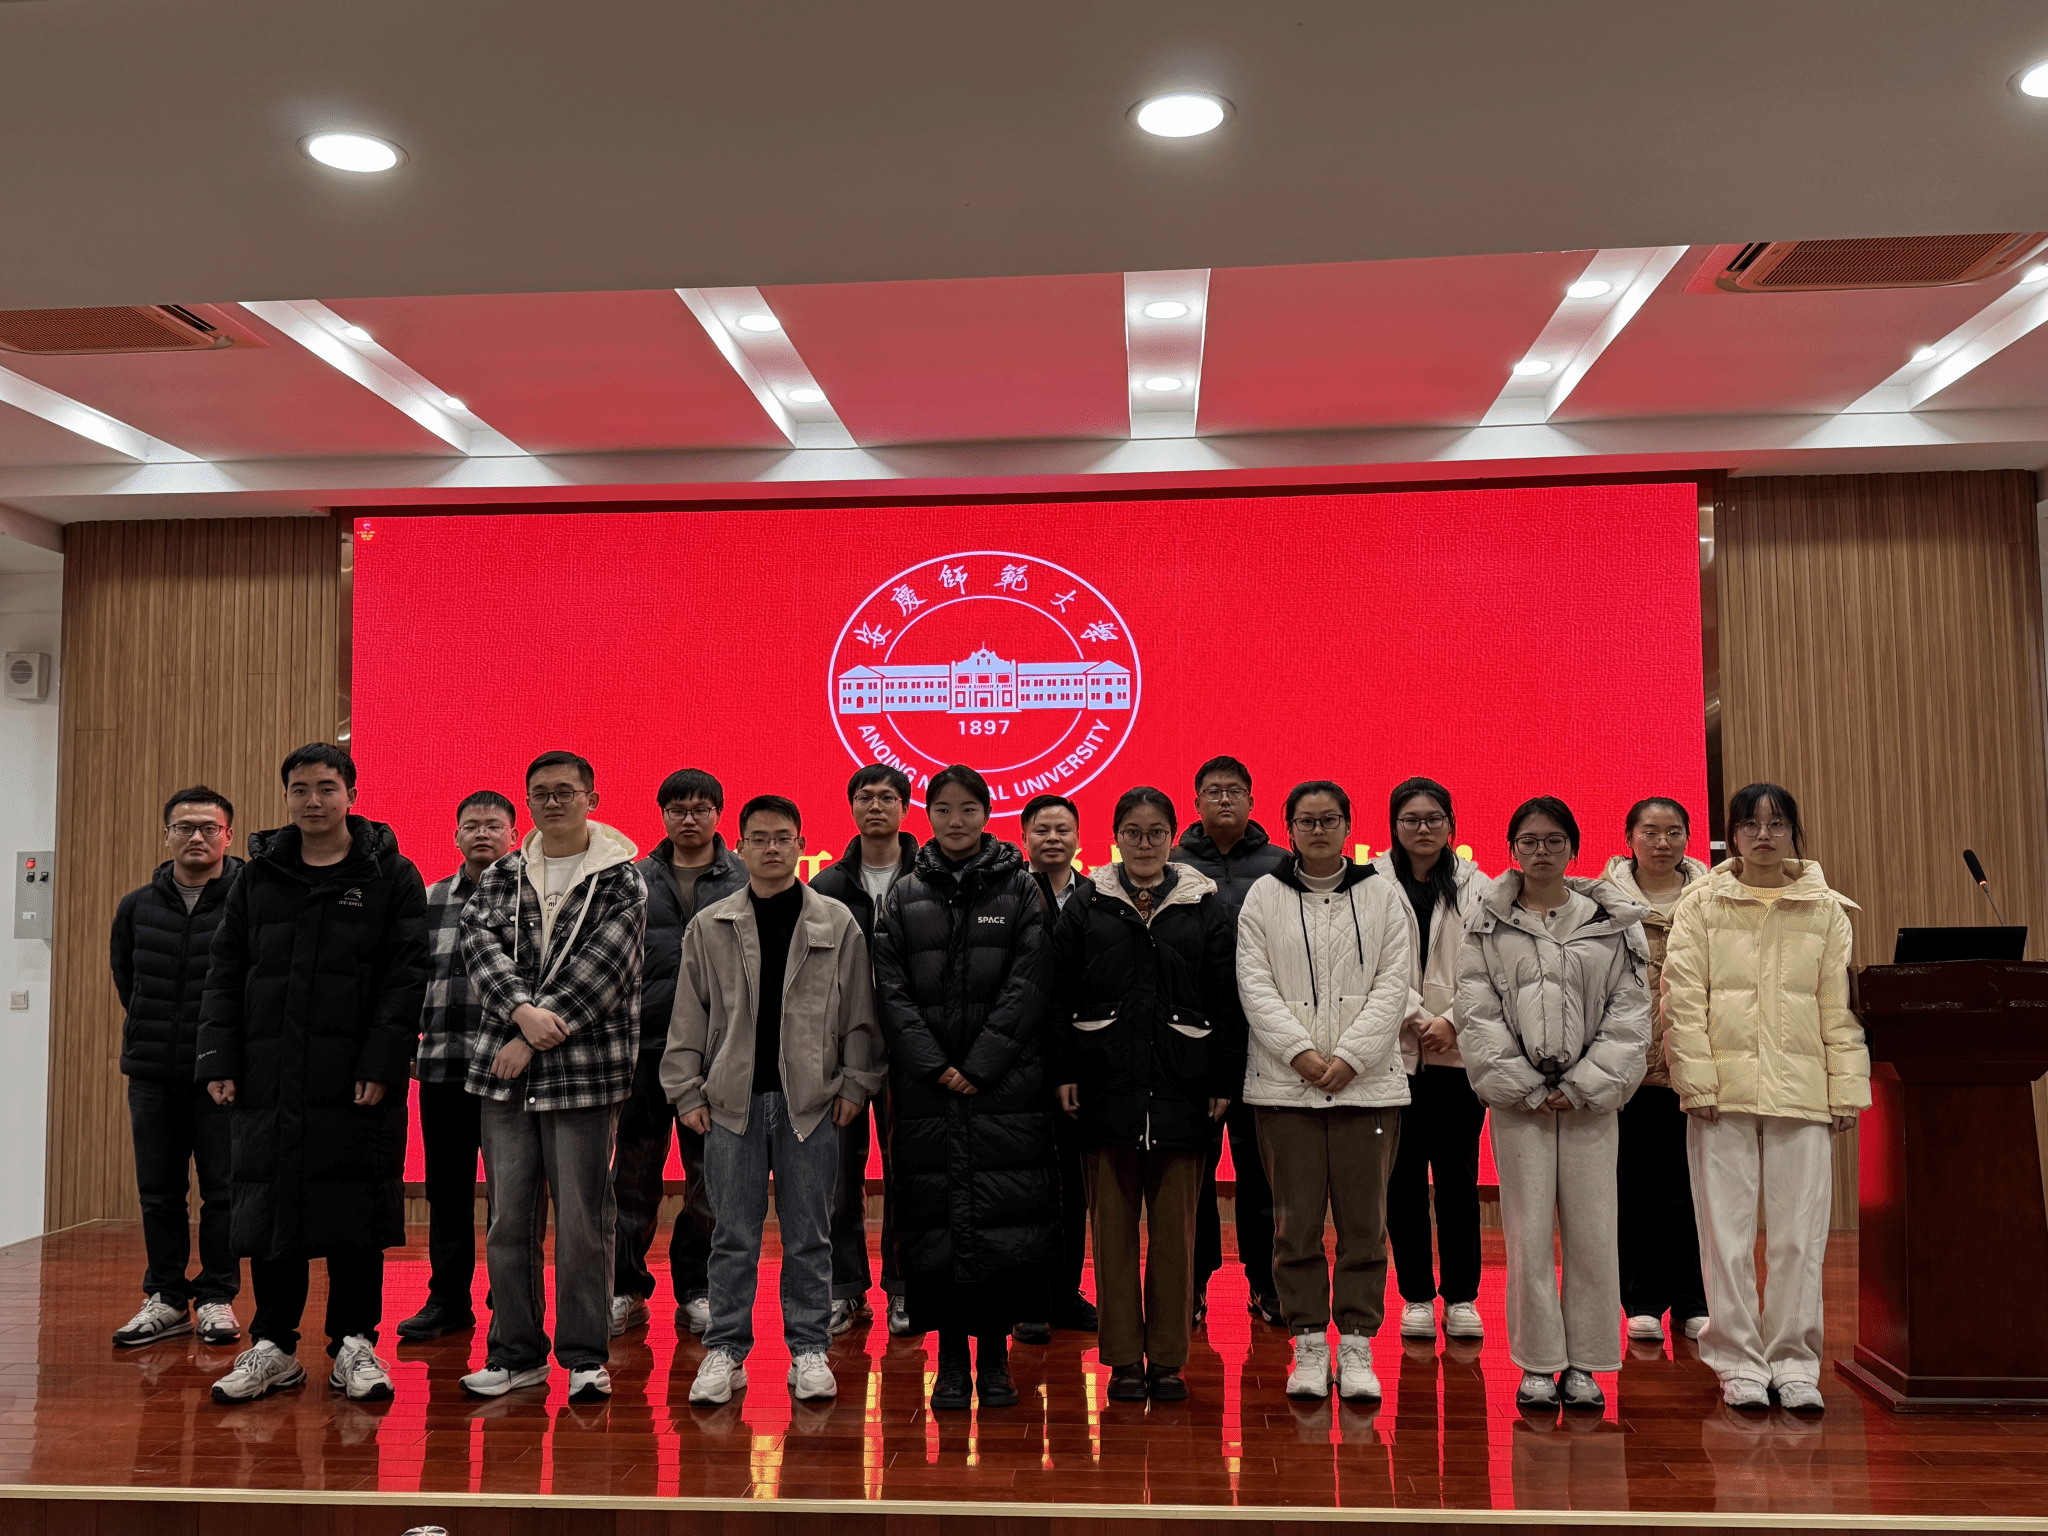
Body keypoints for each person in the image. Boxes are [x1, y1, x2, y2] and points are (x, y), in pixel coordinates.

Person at [196, 744, 428, 1405]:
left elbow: (406, 975)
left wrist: (383, 1060)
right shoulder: (259, 876)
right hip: (267, 1074)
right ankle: (273, 1346)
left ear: (352, 794)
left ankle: (355, 1342)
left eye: (326, 787)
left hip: (355, 1077)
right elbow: (225, 970)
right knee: (270, 1210)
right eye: (300, 789)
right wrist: (218, 1056)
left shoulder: (391, 874)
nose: (313, 801)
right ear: (287, 797)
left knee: (355, 1208)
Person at [666, 795, 885, 1406]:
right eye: (758, 838)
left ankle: (809, 1349)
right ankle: (726, 1351)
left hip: (810, 1105)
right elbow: (688, 1017)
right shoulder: (710, 925)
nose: (770, 848)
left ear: (800, 845)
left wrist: (856, 1082)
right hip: (730, 1104)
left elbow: (860, 1014)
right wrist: (685, 1091)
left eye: (782, 837)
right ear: (739, 847)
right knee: (731, 1235)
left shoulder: (836, 922)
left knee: (810, 1236)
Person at [1662, 783, 1867, 1414]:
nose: (1763, 836)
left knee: (1799, 1239)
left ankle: (1795, 1363)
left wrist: (1845, 1089)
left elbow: (1838, 1008)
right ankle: (1738, 1363)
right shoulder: (1701, 904)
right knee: (1725, 1237)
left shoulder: (1826, 911)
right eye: (1750, 825)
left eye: (1776, 824)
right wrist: (1695, 1080)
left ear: (1793, 832)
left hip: (1802, 1092)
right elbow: (1682, 1000)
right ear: (1731, 835)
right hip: (1721, 1093)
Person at [459, 751, 646, 1403]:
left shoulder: (621, 878)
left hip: (584, 1072)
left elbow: (608, 966)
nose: (553, 802)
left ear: (592, 798)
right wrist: (519, 1013)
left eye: (566, 791)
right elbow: (479, 947)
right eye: (540, 793)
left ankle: (585, 1358)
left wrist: (531, 1034)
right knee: (509, 1221)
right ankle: (515, 1354)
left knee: (584, 1223)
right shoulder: (502, 874)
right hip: (504, 1076)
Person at [1454, 796, 1649, 1415]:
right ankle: (1538, 1363)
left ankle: (1587, 1362)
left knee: (1593, 1234)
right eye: (1529, 841)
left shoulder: (1611, 922)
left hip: (1591, 1104)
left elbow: (1630, 1014)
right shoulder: (1487, 921)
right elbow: (1476, 1012)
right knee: (1528, 1234)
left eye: (1554, 840)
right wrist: (1525, 1085)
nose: (1541, 851)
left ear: (1574, 848)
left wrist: (1585, 1083)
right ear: (1512, 849)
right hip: (1521, 1107)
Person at [871, 764, 1053, 1412]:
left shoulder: (1022, 888)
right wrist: (933, 1064)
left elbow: (1031, 983)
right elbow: (890, 992)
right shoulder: (903, 895)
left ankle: (995, 1360)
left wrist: (979, 1064)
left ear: (987, 814)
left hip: (1003, 1086)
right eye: (943, 810)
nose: (956, 821)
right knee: (935, 1222)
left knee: (1002, 1220)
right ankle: (949, 1360)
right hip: (928, 1090)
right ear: (928, 816)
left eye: (968, 809)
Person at [1055, 787, 1244, 1401]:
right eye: (1132, 833)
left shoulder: (1204, 905)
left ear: (1172, 837)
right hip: (1104, 1088)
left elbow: (1227, 999)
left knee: (1175, 1237)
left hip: (1184, 1090)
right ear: (1115, 837)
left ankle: (1166, 1359)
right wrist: (1064, 1071)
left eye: (1156, 832)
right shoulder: (1086, 904)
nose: (1144, 844)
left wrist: (1222, 1080)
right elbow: (1058, 994)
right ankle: (1122, 1362)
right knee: (1111, 1237)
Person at [1236, 779, 1411, 1402]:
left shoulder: (1382, 894)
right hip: (1286, 1088)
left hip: (1369, 1087)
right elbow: (1254, 983)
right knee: (1295, 1224)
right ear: (1288, 829)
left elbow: (1395, 982)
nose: (1318, 830)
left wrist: (1352, 1057)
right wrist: (1303, 1056)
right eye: (1306, 821)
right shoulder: (1264, 894)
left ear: (1347, 825)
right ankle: (1308, 1342)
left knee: (1366, 1224)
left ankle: (1358, 1345)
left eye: (1329, 819)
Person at [109, 786, 245, 1349]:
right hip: (152, 1073)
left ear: (227, 836)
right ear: (166, 835)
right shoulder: (137, 906)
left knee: (223, 1192)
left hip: (223, 1076)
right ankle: (165, 1296)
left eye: (209, 828)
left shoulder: (249, 900)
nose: (197, 837)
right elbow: (128, 981)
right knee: (159, 1192)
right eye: (184, 827)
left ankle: (216, 1296)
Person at [614, 769, 745, 1341]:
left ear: (719, 813)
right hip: (646, 1047)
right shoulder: (634, 879)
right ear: (662, 815)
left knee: (709, 1178)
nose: (689, 819)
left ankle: (697, 1290)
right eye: (677, 810)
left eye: (700, 809)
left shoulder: (744, 877)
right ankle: (623, 1288)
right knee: (633, 1173)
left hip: (719, 1053)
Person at [1172, 755, 1290, 1330]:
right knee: (1192, 1169)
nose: (1224, 799)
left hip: (1264, 1040)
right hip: (1191, 1040)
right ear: (1195, 802)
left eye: (1234, 791)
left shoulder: (1282, 865)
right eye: (1213, 791)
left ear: (1251, 801)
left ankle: (1266, 1283)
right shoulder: (1170, 864)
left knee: (1262, 1171)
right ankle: (1191, 1284)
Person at [1373, 777, 1490, 1344]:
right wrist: (1419, 1018)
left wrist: (1452, 1021)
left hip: (1457, 1059)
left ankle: (1462, 1297)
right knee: (1401, 1183)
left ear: (1451, 825)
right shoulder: (1371, 884)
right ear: (1394, 826)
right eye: (1411, 819)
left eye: (1433, 818)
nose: (1423, 828)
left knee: (1458, 1182)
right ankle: (1417, 1296)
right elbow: (1371, 967)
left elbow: (1488, 967)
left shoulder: (1480, 887)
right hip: (1393, 1058)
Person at [397, 790, 518, 1342]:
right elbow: (408, 979)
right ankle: (447, 1299)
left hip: (509, 1070)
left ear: (514, 834)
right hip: (443, 1066)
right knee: (446, 1191)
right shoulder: (430, 898)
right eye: (471, 825)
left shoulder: (531, 896)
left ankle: (510, 1297)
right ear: (456, 836)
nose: (482, 833)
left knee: (511, 1192)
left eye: (493, 825)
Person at [809, 764, 919, 1338]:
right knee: (839, 1177)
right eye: (865, 797)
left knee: (909, 1174)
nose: (876, 806)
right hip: (843, 1052)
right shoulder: (825, 886)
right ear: (851, 807)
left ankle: (904, 1288)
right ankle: (845, 1290)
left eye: (887, 797)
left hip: (911, 1052)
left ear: (905, 807)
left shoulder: (930, 878)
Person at [1598, 797, 1711, 1347]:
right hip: (1629, 1071)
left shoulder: (1713, 900)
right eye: (1650, 831)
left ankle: (1694, 1301)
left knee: (1694, 1191)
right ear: (1630, 839)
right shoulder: (1601, 904)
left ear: (1688, 837)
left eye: (1674, 832)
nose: (1662, 842)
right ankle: (1641, 1300)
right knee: (1635, 1189)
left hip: (1696, 1068)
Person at [1013, 791, 1098, 1345]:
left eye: (1062, 829)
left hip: (1080, 1062)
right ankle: (1027, 1299)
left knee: (1073, 1185)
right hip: (1018, 1060)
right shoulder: (1008, 893)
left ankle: (1065, 1292)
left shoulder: (1098, 896)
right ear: (1023, 838)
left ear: (1078, 838)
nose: (1052, 838)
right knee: (1023, 1186)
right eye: (1041, 830)